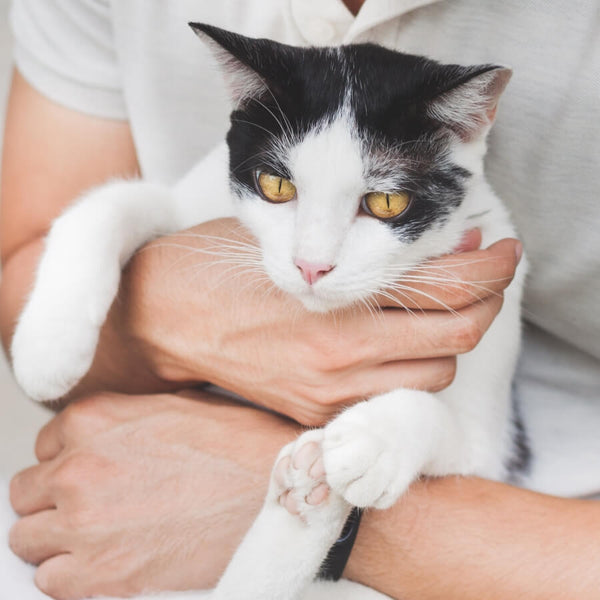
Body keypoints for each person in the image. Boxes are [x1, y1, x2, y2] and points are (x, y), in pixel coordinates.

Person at [2, 1, 599, 599]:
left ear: (466, 133)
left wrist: (401, 429)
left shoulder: (485, 247)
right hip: (150, 490)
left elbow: (473, 446)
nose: (313, 260)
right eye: (279, 189)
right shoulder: (257, 147)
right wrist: (97, 262)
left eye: (382, 204)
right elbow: (144, 209)